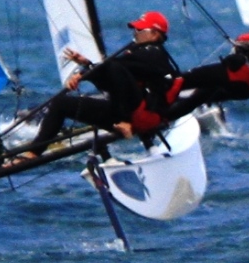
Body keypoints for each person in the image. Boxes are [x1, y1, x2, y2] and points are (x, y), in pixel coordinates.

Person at [19, 11, 184, 158]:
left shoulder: (152, 54)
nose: (135, 33)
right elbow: (113, 78)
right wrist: (87, 66)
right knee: (61, 103)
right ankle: (33, 152)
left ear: (154, 34)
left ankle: (127, 124)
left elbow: (114, 68)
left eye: (140, 30)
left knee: (111, 67)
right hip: (125, 114)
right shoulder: (139, 53)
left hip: (141, 117)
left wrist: (83, 74)